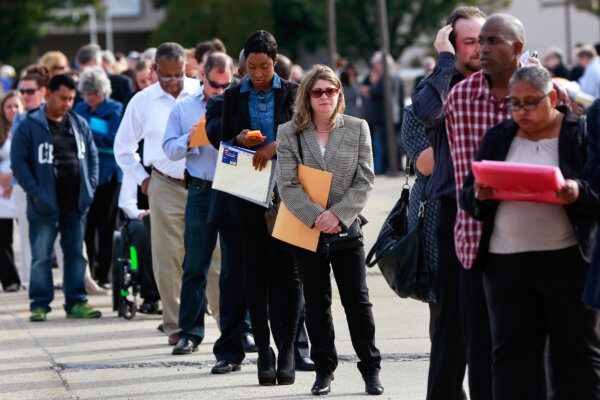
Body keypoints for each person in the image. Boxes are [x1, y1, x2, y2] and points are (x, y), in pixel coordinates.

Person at [444, 14, 571, 399]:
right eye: (478, 42)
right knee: (484, 354)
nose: (481, 49)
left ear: (517, 48)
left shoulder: (551, 93)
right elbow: (459, 176)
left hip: (548, 244)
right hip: (479, 244)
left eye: (492, 41)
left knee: (546, 357)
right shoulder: (460, 98)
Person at [460, 64, 600, 399]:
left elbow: (596, 191)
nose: (521, 111)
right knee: (512, 359)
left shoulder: (576, 132)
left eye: (530, 102)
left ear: (552, 97)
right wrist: (478, 194)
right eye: (514, 103)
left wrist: (576, 191)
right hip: (505, 267)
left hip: (567, 264)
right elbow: (468, 194)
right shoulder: (498, 136)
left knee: (577, 356)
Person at [276, 64, 383, 396]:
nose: (325, 97)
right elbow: (287, 184)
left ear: (340, 94)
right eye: (318, 91)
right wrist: (316, 216)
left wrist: (337, 215)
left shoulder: (357, 128)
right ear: (307, 96)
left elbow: (365, 179)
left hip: (346, 228)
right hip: (306, 229)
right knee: (316, 302)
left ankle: (371, 369)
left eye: (331, 90)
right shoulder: (289, 132)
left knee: (358, 302)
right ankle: (324, 371)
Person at [411, 6, 486, 399]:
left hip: (503, 214)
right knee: (451, 326)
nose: (479, 49)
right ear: (452, 44)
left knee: (496, 325)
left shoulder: (507, 80)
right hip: (452, 213)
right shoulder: (440, 82)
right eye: (469, 41)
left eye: (484, 39)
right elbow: (427, 113)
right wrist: (443, 60)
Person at [219, 30, 301, 386]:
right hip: (249, 190)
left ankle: (287, 350)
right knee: (255, 271)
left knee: (288, 273)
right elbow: (223, 141)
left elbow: (306, 137)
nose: (257, 74)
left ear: (275, 61)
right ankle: (264, 351)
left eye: (264, 67)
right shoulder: (233, 95)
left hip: (289, 191)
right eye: (251, 67)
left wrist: (276, 146)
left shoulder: (294, 92)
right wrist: (238, 140)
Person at [114, 42, 200, 345]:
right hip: (163, 184)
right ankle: (175, 325)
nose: (174, 82)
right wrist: (142, 179)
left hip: (202, 183)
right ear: (154, 70)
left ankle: (226, 322)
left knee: (212, 254)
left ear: (188, 65)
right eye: (167, 76)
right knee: (168, 257)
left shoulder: (202, 94)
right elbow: (122, 149)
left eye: (179, 74)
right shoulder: (142, 101)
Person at [10, 74, 100, 322]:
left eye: (71, 99)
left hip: (75, 202)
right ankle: (39, 304)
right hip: (44, 204)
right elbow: (19, 163)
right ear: (48, 94)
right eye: (63, 98)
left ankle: (76, 301)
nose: (67, 104)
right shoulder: (29, 125)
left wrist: (90, 188)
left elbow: (92, 158)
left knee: (75, 253)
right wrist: (37, 194)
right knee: (41, 256)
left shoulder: (79, 123)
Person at [161, 52, 234, 357]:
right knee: (195, 264)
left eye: (227, 85)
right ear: (203, 76)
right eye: (216, 85)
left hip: (233, 188)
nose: (220, 91)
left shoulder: (238, 102)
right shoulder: (184, 107)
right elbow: (168, 149)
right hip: (202, 190)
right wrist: (189, 141)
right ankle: (189, 333)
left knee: (235, 265)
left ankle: (239, 330)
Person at [73, 66, 124, 288]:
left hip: (109, 176)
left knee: (106, 226)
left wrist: (87, 135)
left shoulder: (115, 109)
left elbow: (114, 139)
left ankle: (104, 275)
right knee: (87, 225)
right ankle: (89, 274)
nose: (89, 98)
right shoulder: (79, 108)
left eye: (93, 93)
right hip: (84, 176)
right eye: (86, 93)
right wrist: (94, 135)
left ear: (102, 92)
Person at [400, 104, 439, 335]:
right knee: (439, 300)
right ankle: (444, 368)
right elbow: (424, 165)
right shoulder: (416, 111)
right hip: (433, 209)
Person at [117, 172, 161, 314]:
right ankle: (150, 295)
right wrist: (140, 214)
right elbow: (126, 201)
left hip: (171, 215)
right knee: (143, 230)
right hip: (140, 217)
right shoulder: (134, 166)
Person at [0, 90, 25, 292]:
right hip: (1, 191)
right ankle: (10, 280)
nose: (13, 110)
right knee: (3, 237)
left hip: (19, 184)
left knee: (27, 235)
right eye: (9, 106)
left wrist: (11, 179)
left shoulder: (26, 127)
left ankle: (28, 278)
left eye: (16, 106)